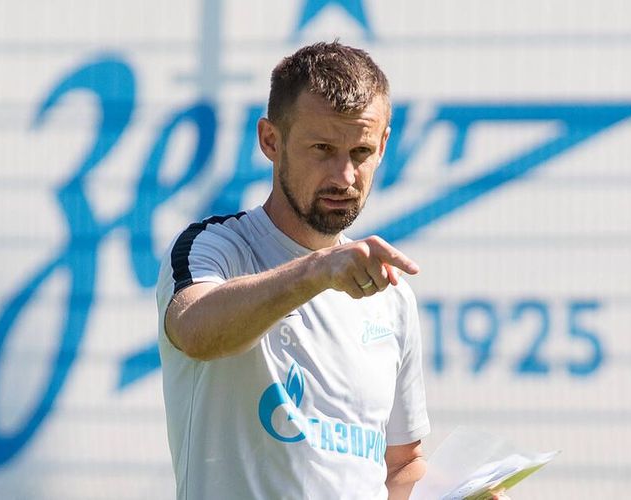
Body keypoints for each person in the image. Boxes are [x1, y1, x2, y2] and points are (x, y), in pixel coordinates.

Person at [156, 41, 510, 500]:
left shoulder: (391, 295)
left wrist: (458, 495)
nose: (345, 176)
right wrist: (316, 271)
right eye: (323, 148)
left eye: (361, 152)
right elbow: (195, 330)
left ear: (383, 146)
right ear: (270, 141)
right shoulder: (216, 246)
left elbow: (399, 467)